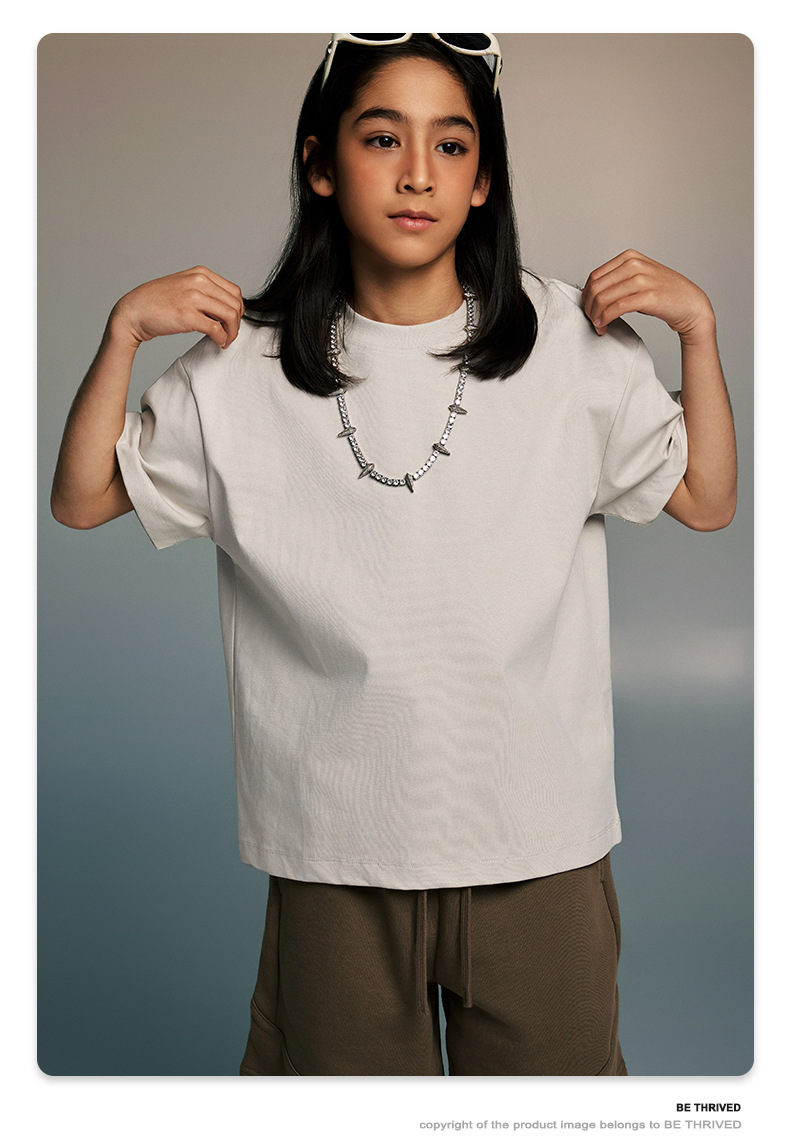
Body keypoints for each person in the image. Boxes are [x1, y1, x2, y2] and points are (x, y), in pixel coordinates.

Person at [50, 34, 737, 1076]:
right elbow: (82, 497)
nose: (419, 173)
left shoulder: (566, 341)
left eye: (451, 145)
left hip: (537, 841)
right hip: (335, 849)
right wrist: (120, 334)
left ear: (483, 178)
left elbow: (706, 498)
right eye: (382, 138)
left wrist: (700, 334)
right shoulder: (244, 366)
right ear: (321, 164)